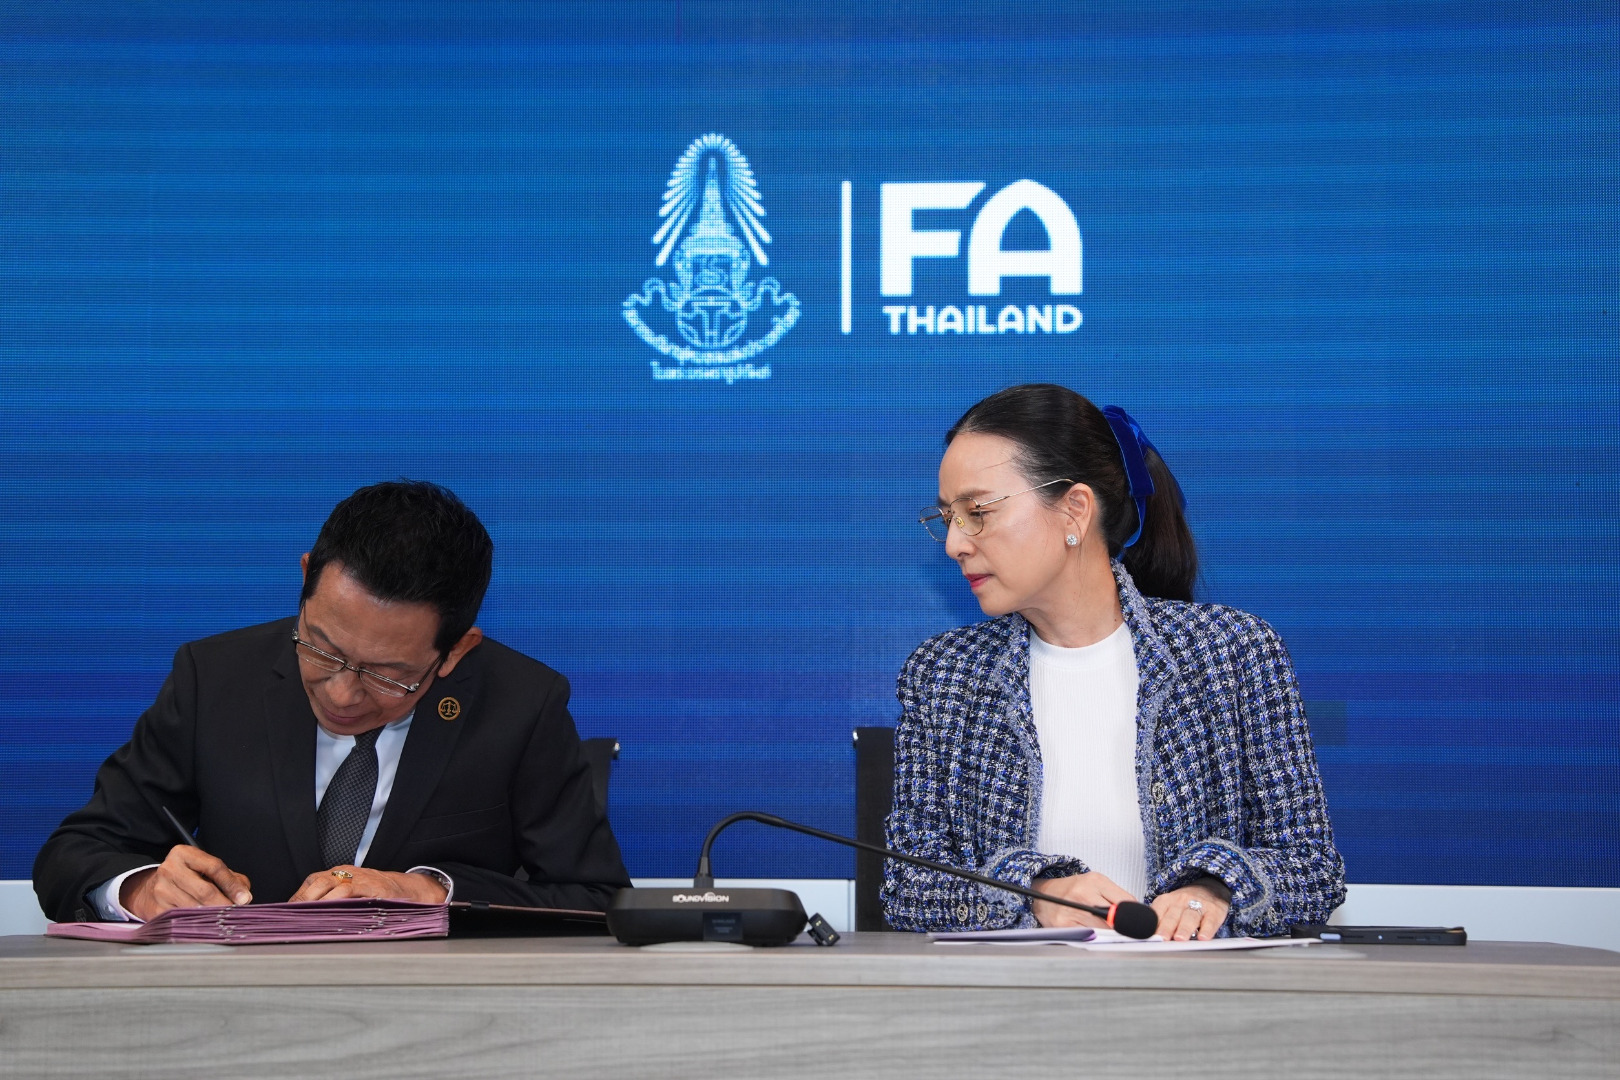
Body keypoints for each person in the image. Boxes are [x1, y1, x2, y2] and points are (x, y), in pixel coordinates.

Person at [35, 480, 630, 924]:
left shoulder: (522, 704)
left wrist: (432, 891)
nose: (342, 693)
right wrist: (140, 888)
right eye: (321, 648)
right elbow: (72, 854)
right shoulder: (213, 678)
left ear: (455, 651)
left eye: (389, 675)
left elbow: (597, 898)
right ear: (304, 580)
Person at [882, 385, 1345, 939]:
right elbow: (908, 888)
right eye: (948, 518)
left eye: (977, 512)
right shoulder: (944, 675)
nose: (955, 543)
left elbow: (1312, 867)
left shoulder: (1232, 652)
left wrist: (1215, 887)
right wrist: (1034, 892)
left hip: (1190, 989)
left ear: (1075, 510)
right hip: (1012, 989)